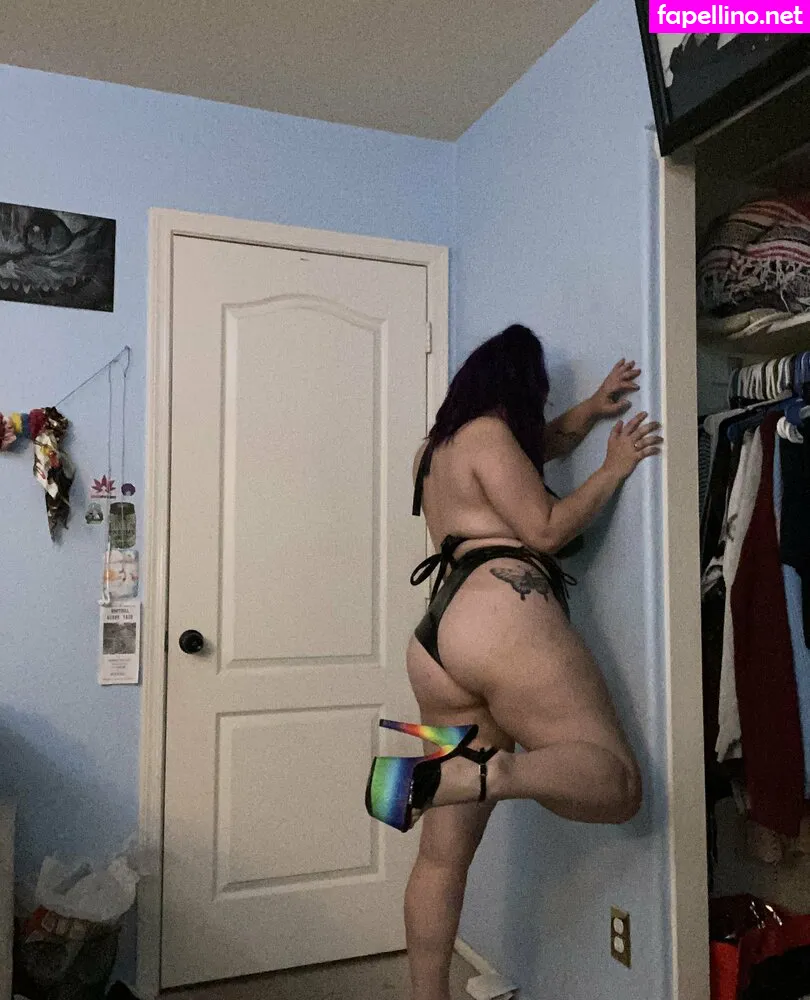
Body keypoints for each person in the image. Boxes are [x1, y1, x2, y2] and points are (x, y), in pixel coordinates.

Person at [364, 324, 663, 1000]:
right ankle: (492, 770)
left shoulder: (435, 451)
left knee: (442, 858)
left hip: (438, 637)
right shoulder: (489, 435)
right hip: (502, 614)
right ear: (520, 387)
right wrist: (613, 467)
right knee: (618, 785)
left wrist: (590, 408)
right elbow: (546, 529)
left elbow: (541, 445)